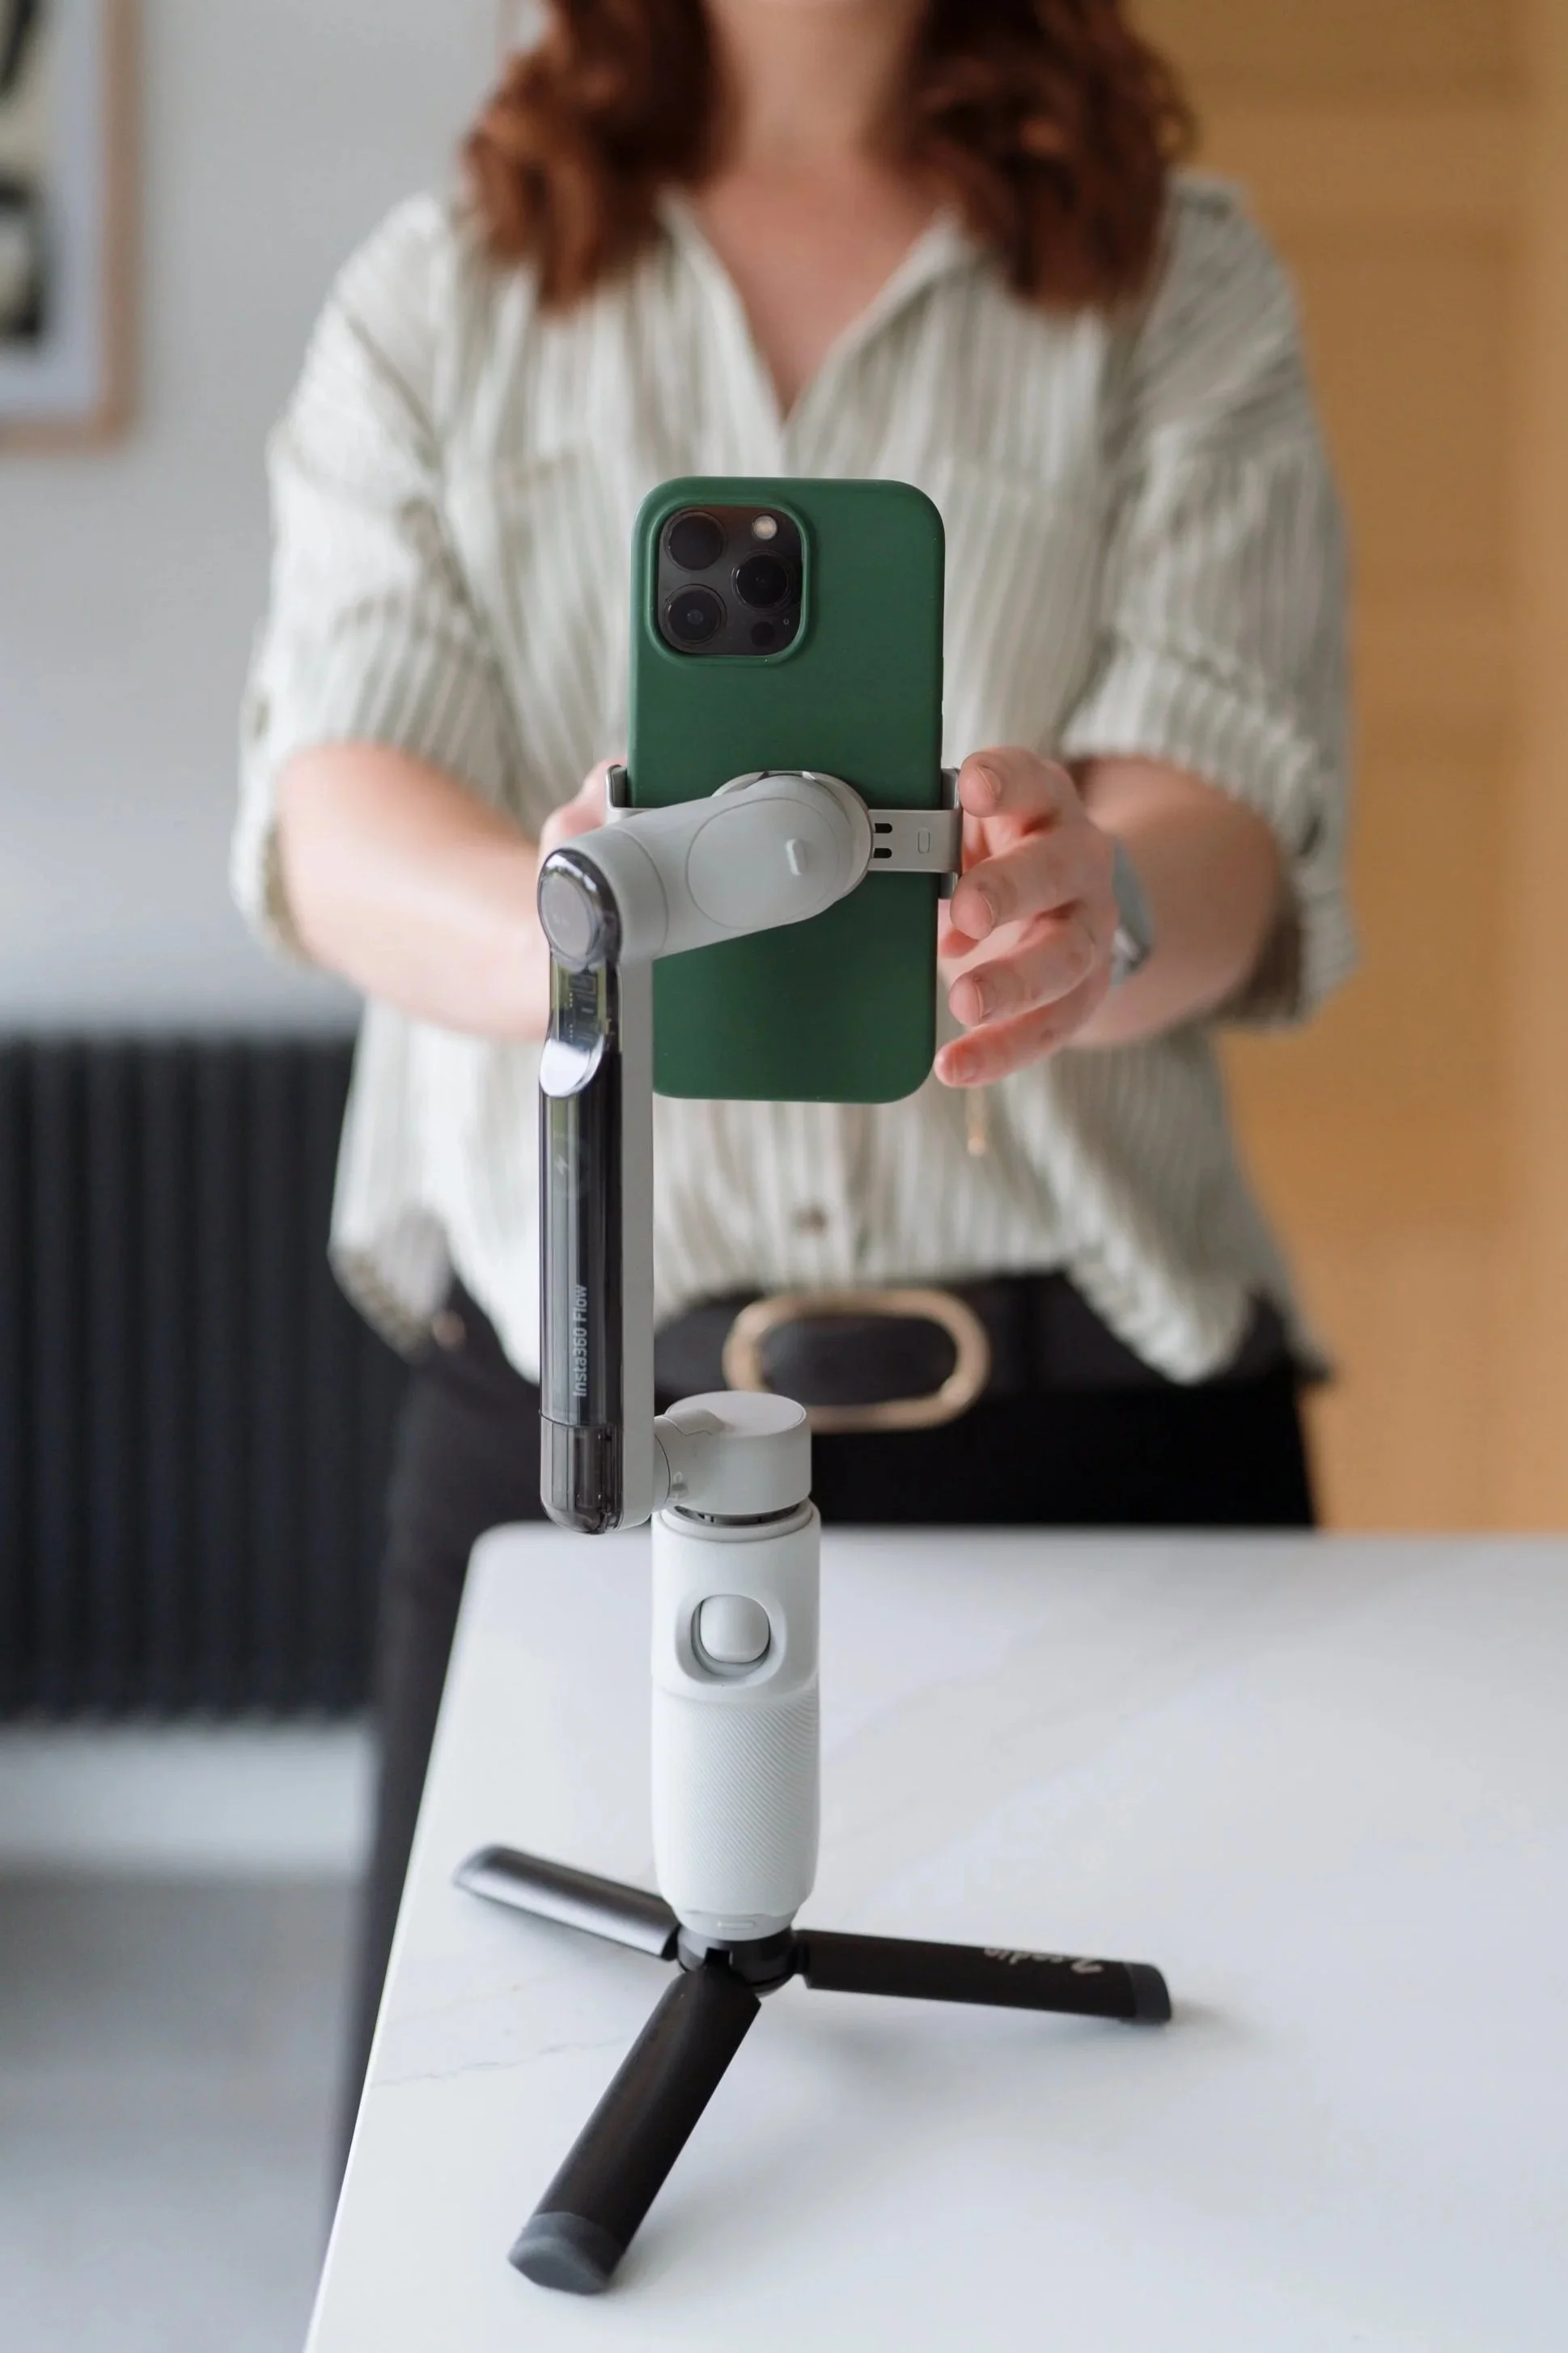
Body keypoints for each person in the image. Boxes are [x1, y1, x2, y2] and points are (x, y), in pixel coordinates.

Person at [233, 0, 1351, 2150]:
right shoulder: (447, 294)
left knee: (1182, 2203)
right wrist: (585, 923)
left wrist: (1094, 906)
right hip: (576, 1436)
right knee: (473, 2200)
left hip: (1092, 1433)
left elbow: (1234, 808)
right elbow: (334, 809)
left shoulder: (1169, 274)